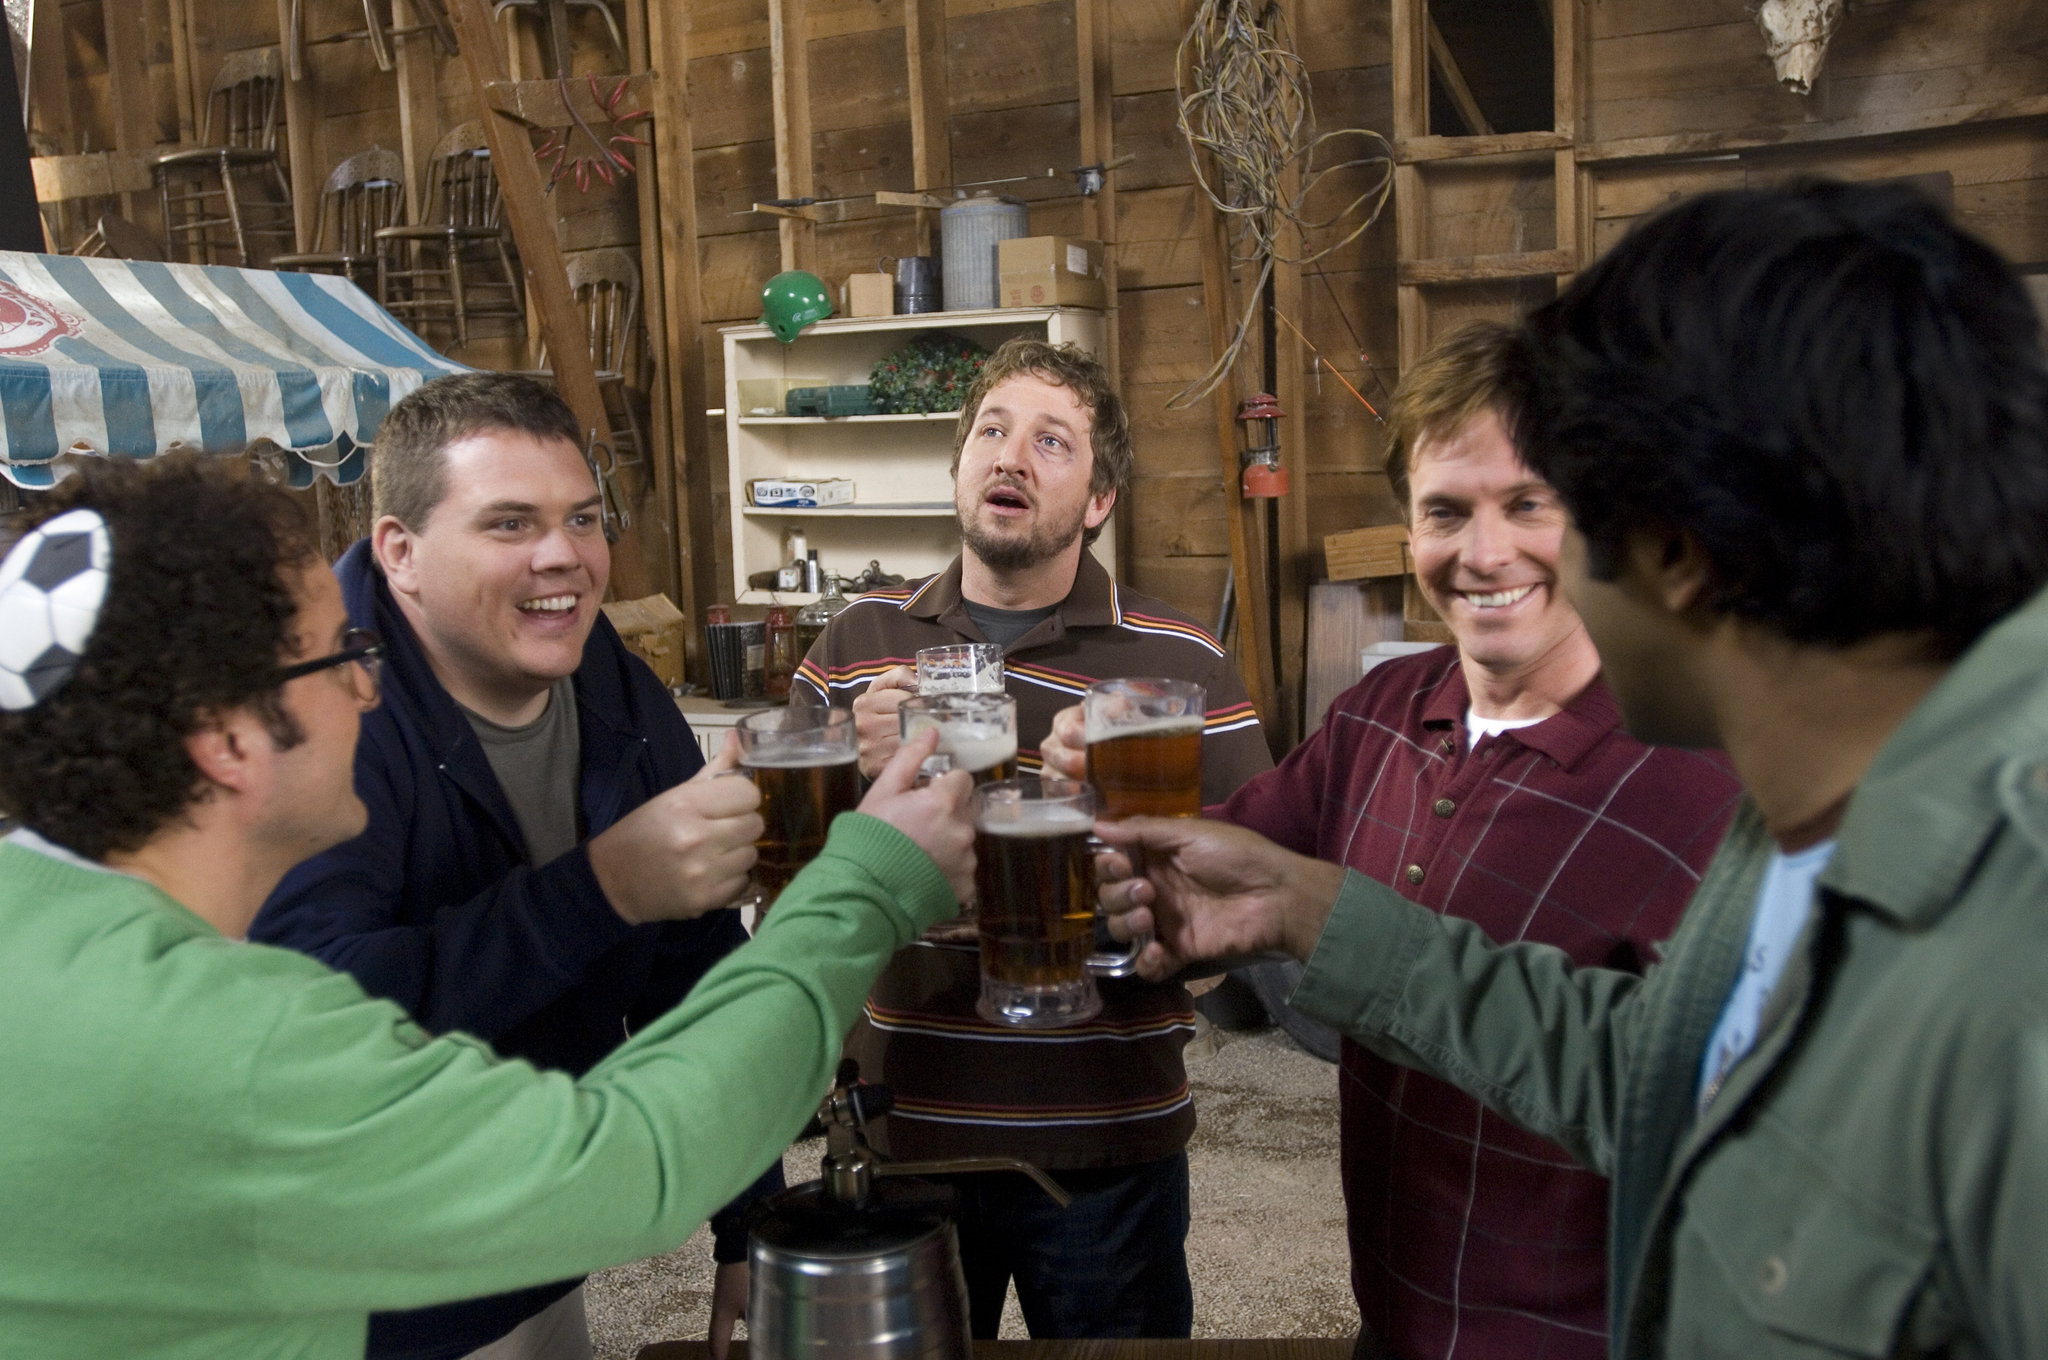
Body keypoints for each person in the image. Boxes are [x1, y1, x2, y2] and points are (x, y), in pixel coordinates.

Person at [1091, 179, 2048, 1355]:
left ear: (1675, 549)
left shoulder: (2013, 967)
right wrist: (1306, 906)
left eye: (1562, 505)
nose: (1500, 560)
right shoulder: (1802, 820)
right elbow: (1656, 1071)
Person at [0, 455, 977, 1360]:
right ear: (224, 739)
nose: (366, 688)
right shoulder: (238, 1048)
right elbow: (637, 1158)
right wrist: (870, 879)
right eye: (335, 653)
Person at [1038, 321, 1742, 1359]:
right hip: (1394, 1319)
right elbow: (1215, 857)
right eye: (1444, 512)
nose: (1483, 552)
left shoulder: (1705, 779)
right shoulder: (1379, 710)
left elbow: (1726, 1124)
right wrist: (1118, 845)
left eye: (1528, 505)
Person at [248, 373, 771, 1360]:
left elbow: (691, 958)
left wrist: (751, 1217)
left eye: (581, 517)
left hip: (534, 1236)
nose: (562, 556)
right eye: (509, 523)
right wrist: (603, 883)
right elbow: (315, 1024)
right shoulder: (323, 709)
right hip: (356, 1291)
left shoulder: (607, 679)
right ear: (401, 553)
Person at [792, 337, 1272, 1339]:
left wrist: (1109, 820)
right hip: (905, 1122)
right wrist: (846, 761)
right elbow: (783, 896)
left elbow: (1249, 902)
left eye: (1051, 442)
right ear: (959, 465)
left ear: (1098, 499)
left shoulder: (1180, 659)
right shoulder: (851, 645)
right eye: (991, 432)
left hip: (1104, 1138)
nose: (1009, 456)